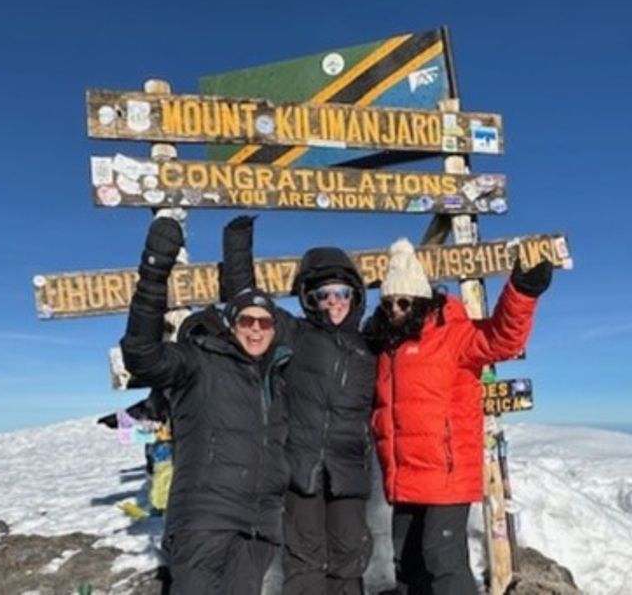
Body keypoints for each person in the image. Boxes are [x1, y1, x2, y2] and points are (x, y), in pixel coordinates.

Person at [364, 238, 553, 595]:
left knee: (443, 561)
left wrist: (522, 293)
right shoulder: (386, 346)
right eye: (388, 303)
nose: (395, 310)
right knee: (407, 564)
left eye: (403, 302)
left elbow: (501, 338)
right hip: (404, 477)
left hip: (446, 474)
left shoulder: (453, 336)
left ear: (421, 300)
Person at [120, 216, 292, 595]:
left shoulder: (275, 376)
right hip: (204, 523)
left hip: (257, 528)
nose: (256, 328)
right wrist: (152, 274)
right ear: (231, 325)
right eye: (246, 320)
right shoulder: (198, 361)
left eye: (265, 322)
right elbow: (142, 355)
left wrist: (238, 244)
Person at [221, 216, 376, 595]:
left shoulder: (371, 344)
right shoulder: (296, 333)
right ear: (310, 298)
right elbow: (245, 298)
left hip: (349, 470)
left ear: (354, 295)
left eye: (341, 292)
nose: (333, 301)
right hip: (300, 468)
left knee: (349, 558)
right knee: (303, 561)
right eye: (324, 294)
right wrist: (237, 242)